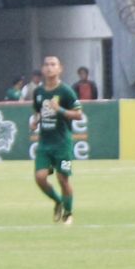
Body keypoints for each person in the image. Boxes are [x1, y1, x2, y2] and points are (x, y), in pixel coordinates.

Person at [31, 55, 83, 224]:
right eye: (46, 64)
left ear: (60, 68)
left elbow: (78, 114)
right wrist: (36, 121)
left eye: (53, 64)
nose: (49, 67)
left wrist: (59, 109)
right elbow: (39, 111)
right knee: (40, 177)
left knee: (63, 178)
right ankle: (58, 201)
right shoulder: (38, 92)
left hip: (62, 144)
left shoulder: (66, 91)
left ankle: (68, 213)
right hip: (45, 143)